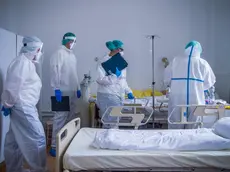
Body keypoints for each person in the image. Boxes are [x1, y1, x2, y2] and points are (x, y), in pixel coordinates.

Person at [1, 36, 47, 172]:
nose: (40, 53)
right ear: (36, 49)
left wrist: (9, 104)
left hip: (22, 106)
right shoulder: (22, 63)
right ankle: (39, 169)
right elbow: (12, 86)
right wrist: (8, 103)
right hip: (23, 107)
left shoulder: (26, 63)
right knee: (37, 137)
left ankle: (14, 169)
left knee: (14, 140)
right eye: (40, 50)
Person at [166, 41, 216, 129]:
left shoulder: (176, 61)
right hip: (196, 98)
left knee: (175, 126)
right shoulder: (203, 63)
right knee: (194, 127)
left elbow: (166, 79)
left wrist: (175, 85)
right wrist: (198, 87)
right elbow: (209, 82)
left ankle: (176, 141)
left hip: (177, 98)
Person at [49, 32, 81, 157]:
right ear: (66, 41)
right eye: (71, 41)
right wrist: (56, 88)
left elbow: (74, 73)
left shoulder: (72, 56)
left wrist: (77, 87)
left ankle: (66, 143)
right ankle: (54, 146)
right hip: (61, 91)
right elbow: (54, 71)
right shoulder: (58, 54)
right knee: (59, 119)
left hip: (72, 91)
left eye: (74, 42)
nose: (72, 44)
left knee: (71, 117)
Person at [96, 40, 134, 129]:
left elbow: (122, 80)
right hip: (107, 94)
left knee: (114, 121)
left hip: (117, 95)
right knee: (109, 121)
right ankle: (108, 140)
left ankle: (110, 139)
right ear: (115, 49)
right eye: (120, 49)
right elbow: (100, 79)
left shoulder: (120, 62)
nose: (122, 52)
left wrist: (128, 91)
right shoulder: (103, 62)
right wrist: (114, 76)